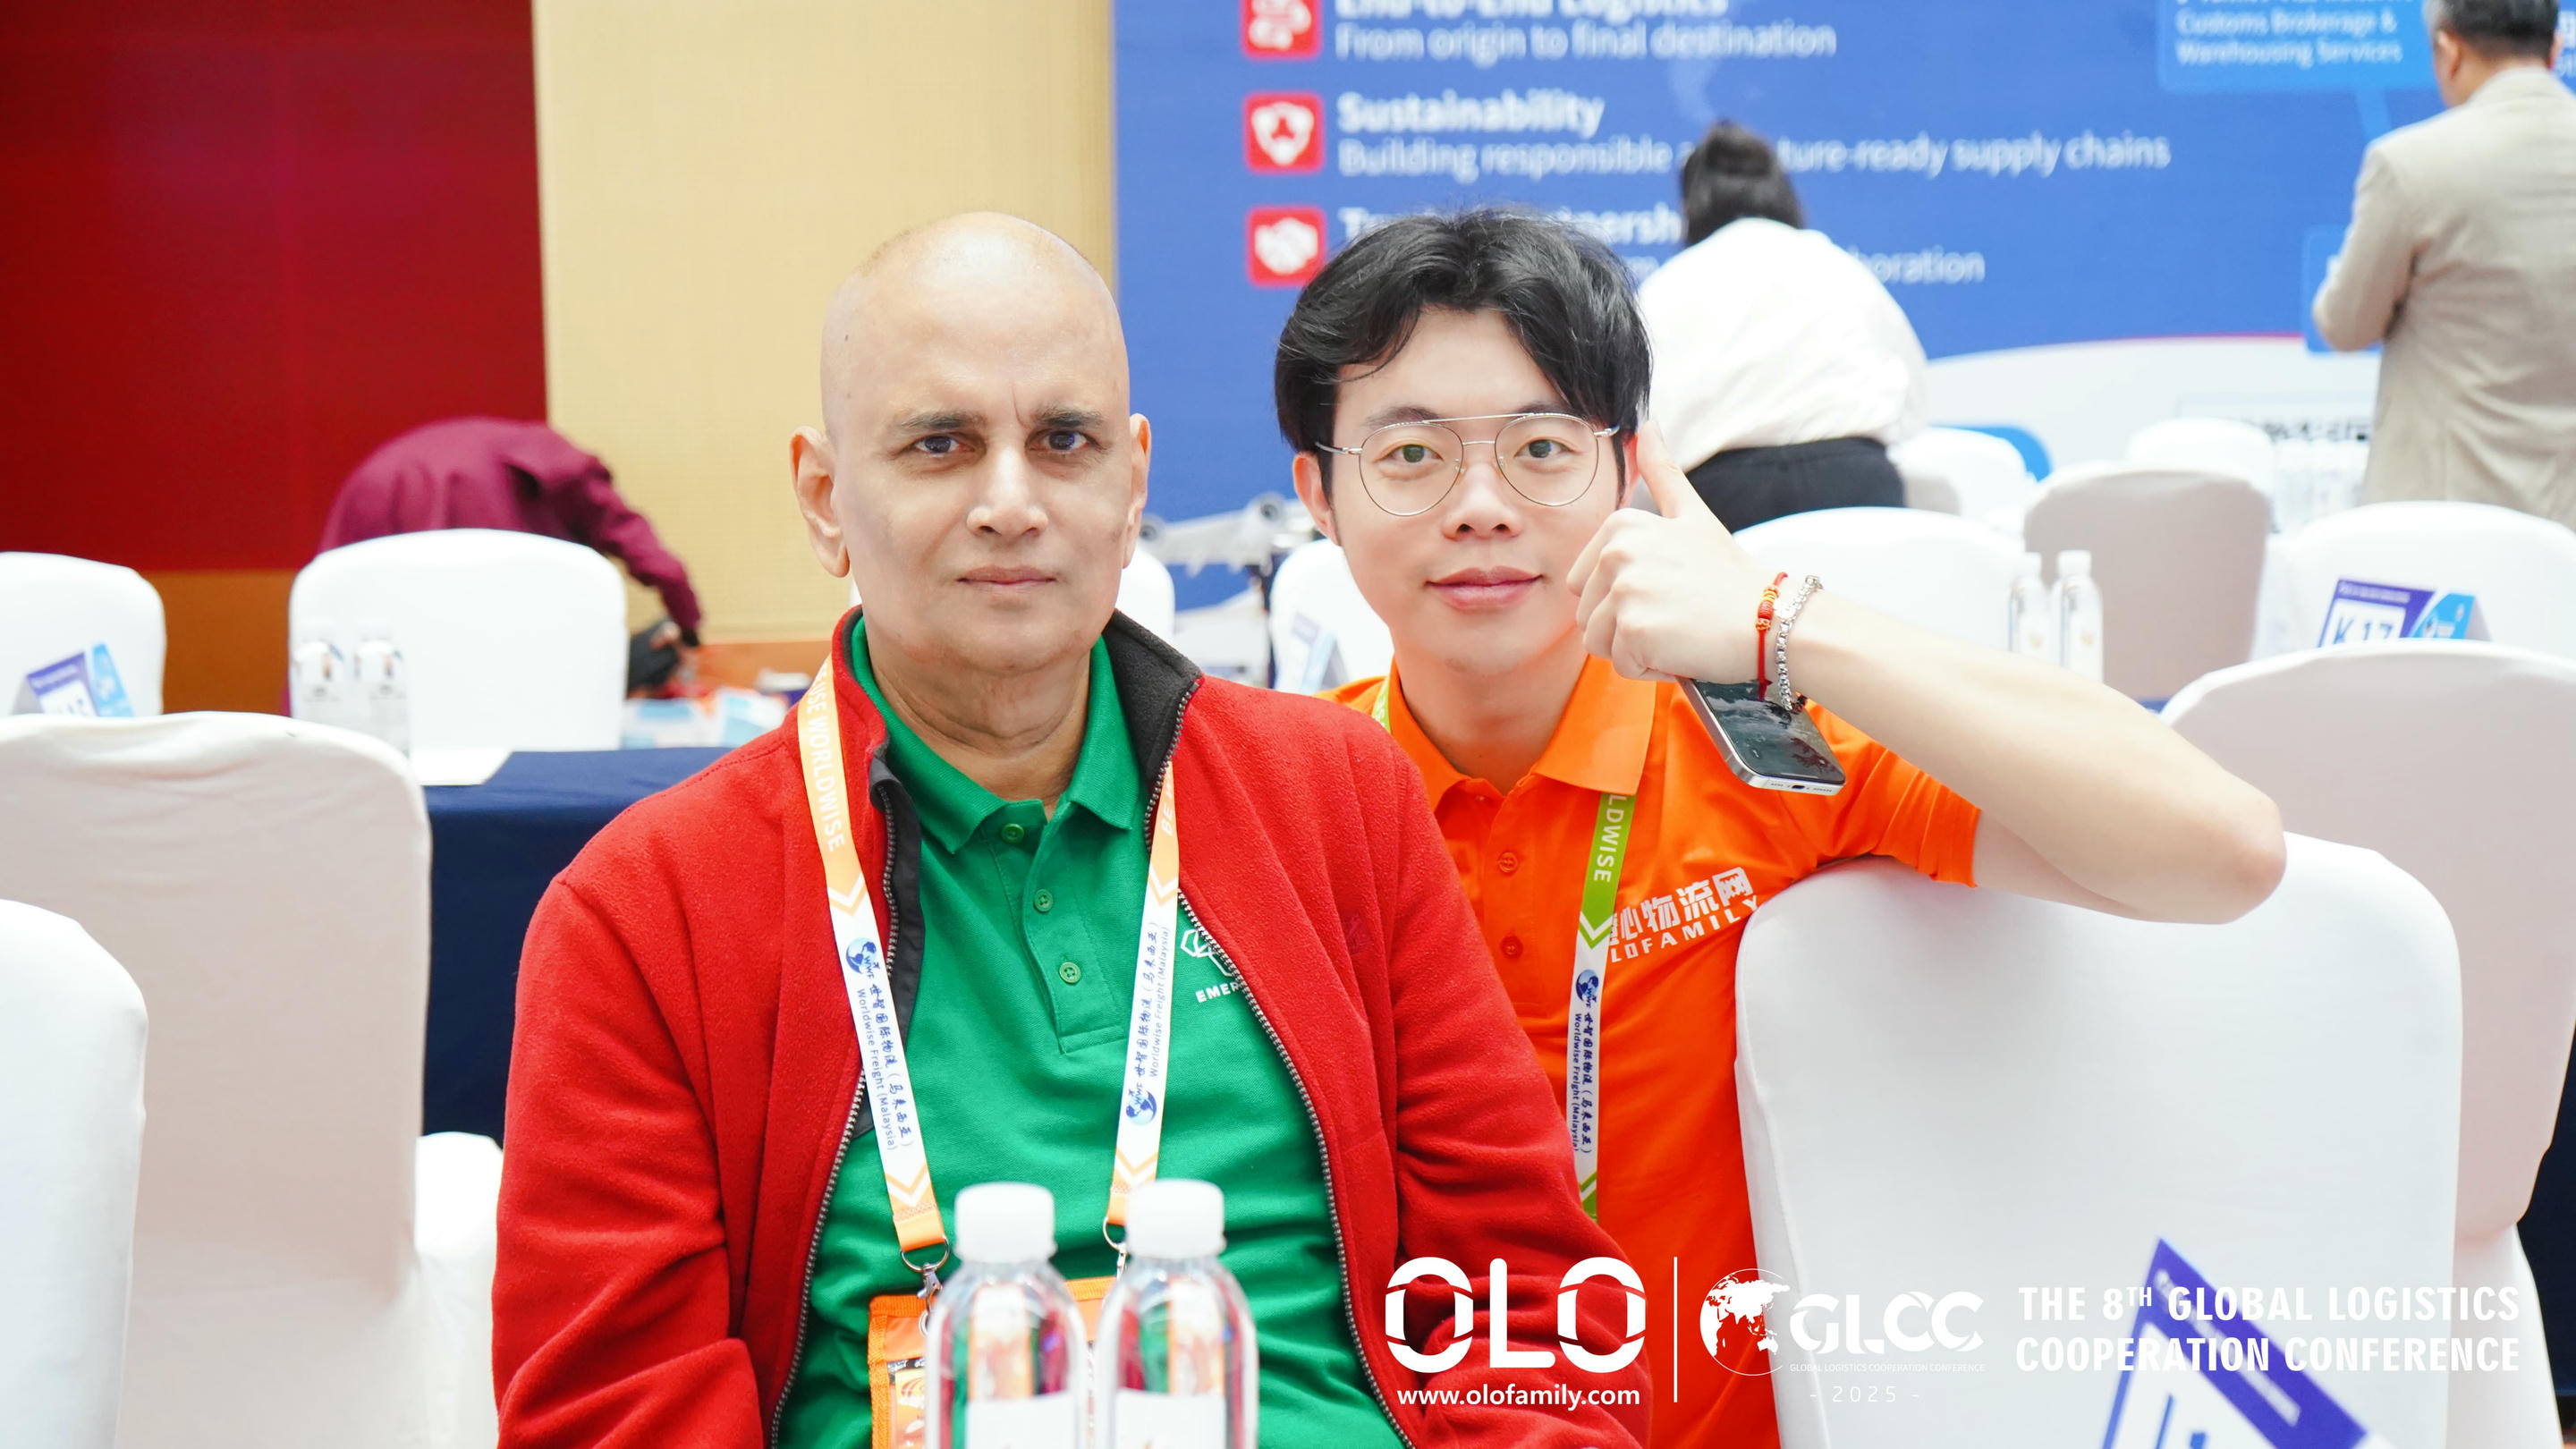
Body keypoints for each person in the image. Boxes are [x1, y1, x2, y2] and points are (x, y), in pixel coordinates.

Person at [490, 214, 1652, 1449]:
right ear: (826, 501)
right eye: (940, 445)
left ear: (1132, 483)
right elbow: (613, 1415)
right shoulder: (647, 912)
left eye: (1063, 442)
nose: (1011, 503)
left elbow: (1533, 1313)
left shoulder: (1338, 802)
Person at [1283, 209, 2288, 1447]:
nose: (1481, 506)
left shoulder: (1761, 750)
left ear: (1632, 470)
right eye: (1410, 455)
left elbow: (2226, 850)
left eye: (1542, 448)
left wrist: (1779, 621)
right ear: (1319, 492)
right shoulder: (1285, 797)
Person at [2313, 0, 2576, 527]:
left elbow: (2344, 325)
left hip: (2445, 529)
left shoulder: (2412, 165)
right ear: (2555, 49)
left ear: (2448, 49)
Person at [1634, 123, 1929, 532]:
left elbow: (1642, 432)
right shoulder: (1840, 267)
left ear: (1690, 207)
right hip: (1859, 493)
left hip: (1722, 506)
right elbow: (1912, 408)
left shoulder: (1667, 286)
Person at [317, 416, 707, 652]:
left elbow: (322, 607)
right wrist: (687, 624)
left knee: (345, 631)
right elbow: (646, 552)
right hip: (455, 486)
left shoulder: (522, 450)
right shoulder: (566, 468)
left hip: (371, 485)